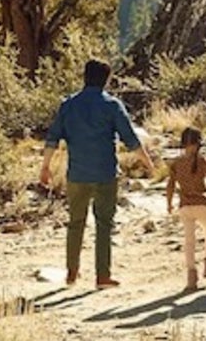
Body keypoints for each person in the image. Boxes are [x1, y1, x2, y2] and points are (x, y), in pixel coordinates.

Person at [40, 59, 154, 288]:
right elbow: (130, 139)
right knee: (104, 224)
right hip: (105, 173)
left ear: (84, 76)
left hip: (77, 173)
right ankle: (102, 276)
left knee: (75, 223)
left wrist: (45, 167)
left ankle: (72, 273)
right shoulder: (112, 105)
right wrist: (148, 163)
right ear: (107, 79)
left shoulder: (68, 105)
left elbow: (53, 138)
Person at [165, 126, 206, 291]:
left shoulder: (177, 163)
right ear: (198, 143)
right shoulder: (202, 160)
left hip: (184, 205)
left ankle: (191, 276)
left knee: (189, 241)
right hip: (201, 203)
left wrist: (169, 203)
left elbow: (170, 185)